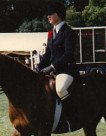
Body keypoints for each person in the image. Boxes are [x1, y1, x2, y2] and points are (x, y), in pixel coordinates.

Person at [38, 1, 79, 129]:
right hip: (54, 72)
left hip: (67, 71)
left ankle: (72, 117)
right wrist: (38, 68)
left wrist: (52, 67)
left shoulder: (69, 32)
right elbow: (47, 54)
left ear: (58, 14)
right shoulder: (51, 33)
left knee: (60, 89)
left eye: (50, 14)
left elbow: (68, 55)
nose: (48, 16)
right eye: (48, 14)